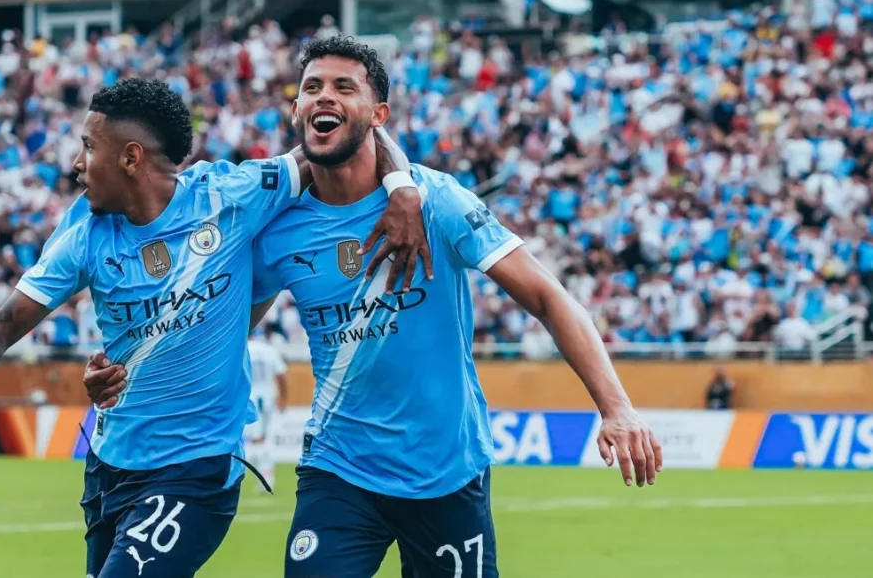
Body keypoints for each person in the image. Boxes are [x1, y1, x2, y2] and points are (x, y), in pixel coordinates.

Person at [84, 36, 662, 576]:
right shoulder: (279, 230)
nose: (323, 98)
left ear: (379, 115)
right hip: (338, 470)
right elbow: (219, 322)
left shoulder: (437, 201)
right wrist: (131, 371)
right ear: (295, 111)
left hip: (446, 471)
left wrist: (617, 408)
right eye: (311, 88)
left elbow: (547, 296)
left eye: (343, 87)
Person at [0, 77, 430, 578]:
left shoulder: (229, 195)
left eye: (87, 147)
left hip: (196, 471)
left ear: (131, 158)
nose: (76, 164)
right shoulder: (83, 233)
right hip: (110, 466)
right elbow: (5, 322)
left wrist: (402, 185)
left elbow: (344, 138)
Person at [244, 325, 288, 492]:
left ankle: (262, 477)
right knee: (262, 438)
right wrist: (284, 398)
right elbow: (281, 375)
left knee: (254, 440)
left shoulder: (242, 349)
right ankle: (266, 477)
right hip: (266, 398)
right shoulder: (269, 350)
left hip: (248, 399)